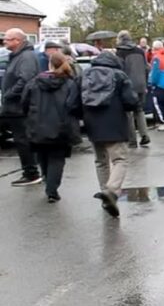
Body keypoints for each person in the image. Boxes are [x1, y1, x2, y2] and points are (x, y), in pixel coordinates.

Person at [80, 52, 139, 217]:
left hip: (92, 122)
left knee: (101, 161)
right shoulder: (119, 75)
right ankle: (112, 191)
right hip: (115, 122)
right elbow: (130, 100)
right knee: (120, 159)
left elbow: (74, 100)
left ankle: (104, 192)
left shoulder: (85, 75)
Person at [21, 53, 82, 203]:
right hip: (61, 126)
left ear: (50, 65)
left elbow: (24, 103)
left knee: (42, 155)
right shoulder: (69, 83)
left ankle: (48, 182)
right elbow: (75, 105)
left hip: (37, 124)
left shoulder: (34, 82)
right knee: (57, 158)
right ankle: (52, 189)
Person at [1, 28, 41, 186]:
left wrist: (9, 94)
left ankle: (31, 173)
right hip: (13, 107)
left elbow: (26, 80)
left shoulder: (26, 57)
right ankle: (31, 171)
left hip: (20, 107)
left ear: (18, 40)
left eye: (7, 39)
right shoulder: (17, 56)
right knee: (22, 140)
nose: (4, 41)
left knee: (23, 140)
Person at [115, 30, 151, 147]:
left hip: (128, 86)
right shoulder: (140, 51)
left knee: (128, 113)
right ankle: (144, 135)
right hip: (141, 84)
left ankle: (132, 140)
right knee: (140, 111)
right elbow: (146, 68)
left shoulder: (120, 52)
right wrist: (145, 83)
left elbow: (119, 71)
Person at [149, 40, 164, 131]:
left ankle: (163, 122)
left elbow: (155, 73)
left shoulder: (156, 58)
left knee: (158, 104)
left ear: (155, 48)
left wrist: (152, 83)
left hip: (160, 83)